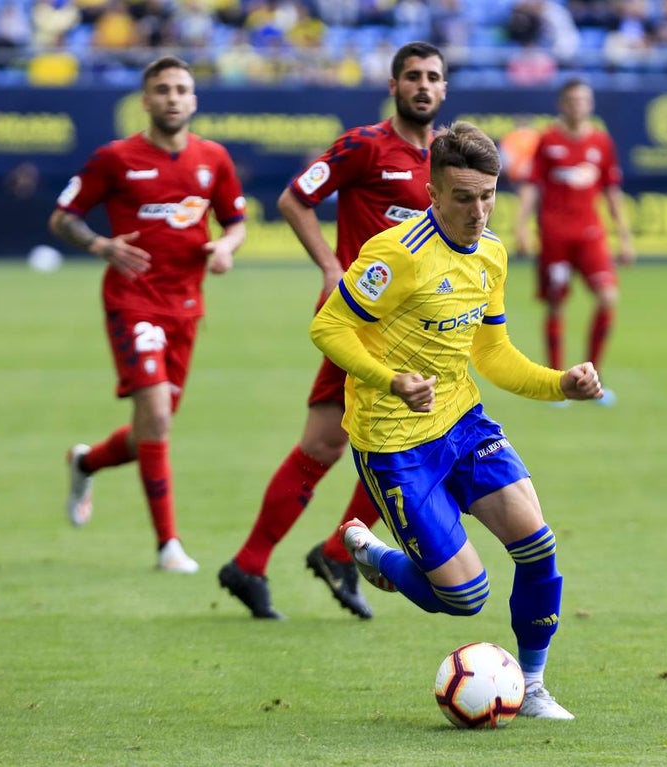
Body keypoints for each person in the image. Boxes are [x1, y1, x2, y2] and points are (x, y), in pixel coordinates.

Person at [311, 121, 604, 720]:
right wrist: (390, 379)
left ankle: (532, 686)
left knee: (538, 546)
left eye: (488, 196)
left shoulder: (491, 253)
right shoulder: (397, 254)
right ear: (433, 194)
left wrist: (560, 385)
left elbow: (492, 354)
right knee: (465, 597)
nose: (478, 211)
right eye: (464, 198)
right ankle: (376, 555)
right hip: (393, 442)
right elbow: (329, 326)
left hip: (462, 424)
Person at [217, 41, 448, 620]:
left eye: (433, 77)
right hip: (362, 326)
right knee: (398, 446)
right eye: (413, 76)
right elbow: (295, 199)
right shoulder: (365, 145)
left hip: (417, 331)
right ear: (394, 86)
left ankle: (261, 562)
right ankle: (329, 554)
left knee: (332, 445)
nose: (423, 85)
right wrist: (329, 265)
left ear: (444, 89)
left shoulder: (446, 159)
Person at [49, 55, 247, 572]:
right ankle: (168, 546)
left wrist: (226, 248)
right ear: (146, 100)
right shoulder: (116, 158)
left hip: (186, 308)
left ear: (194, 99)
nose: (172, 98)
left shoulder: (213, 159)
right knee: (157, 417)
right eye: (162, 89)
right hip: (132, 301)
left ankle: (85, 461)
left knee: (147, 433)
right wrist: (101, 245)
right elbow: (63, 216)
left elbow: (235, 222)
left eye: (181, 89)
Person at [514, 78, 632, 406]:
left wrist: (624, 235)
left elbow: (611, 190)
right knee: (556, 304)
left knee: (608, 297)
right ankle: (558, 383)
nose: (579, 105)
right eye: (573, 100)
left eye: (584, 99)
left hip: (590, 235)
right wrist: (521, 226)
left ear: (591, 104)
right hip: (555, 236)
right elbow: (532, 185)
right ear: (562, 105)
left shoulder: (601, 142)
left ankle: (594, 377)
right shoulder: (548, 140)